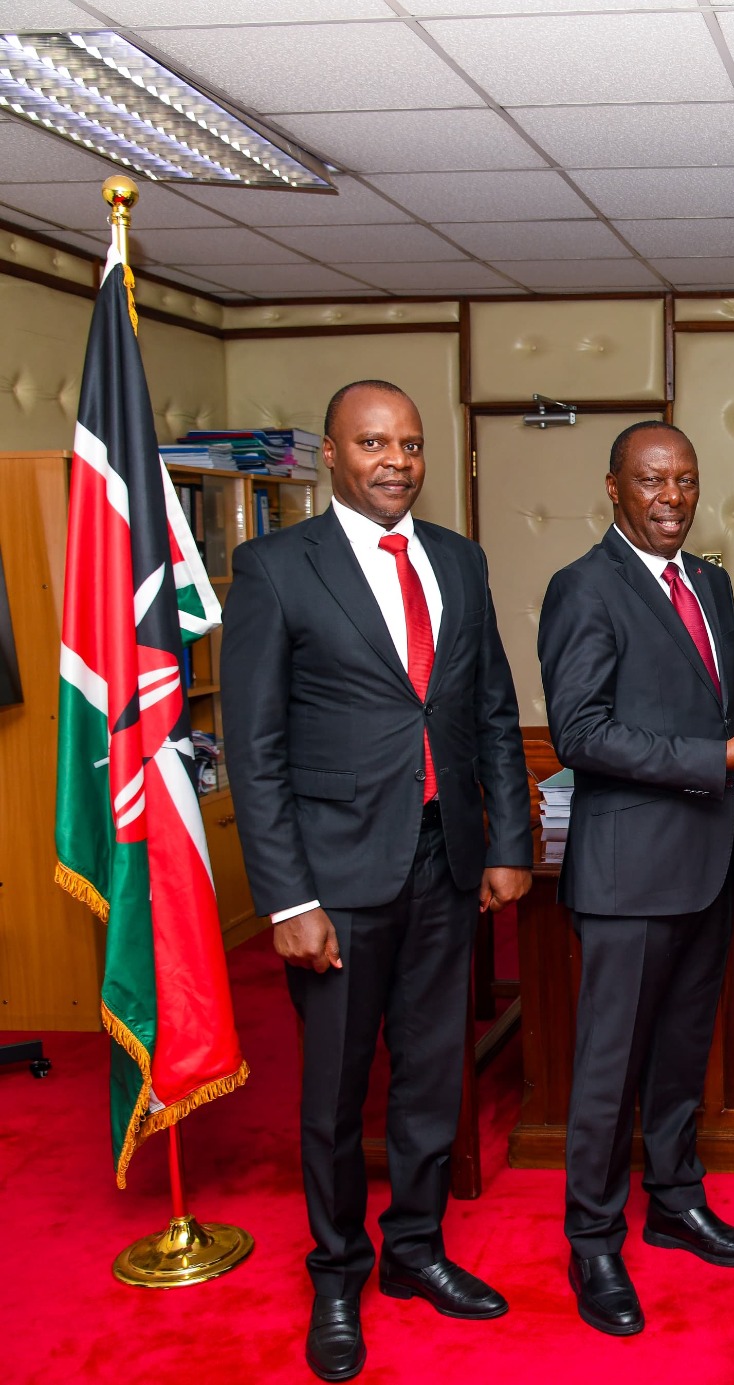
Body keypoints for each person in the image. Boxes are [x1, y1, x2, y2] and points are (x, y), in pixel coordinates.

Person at [222, 380, 532, 1382]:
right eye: (373, 443)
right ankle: (336, 1270)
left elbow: (491, 710)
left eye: (410, 443)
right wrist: (288, 897)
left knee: (434, 1074)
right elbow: (255, 745)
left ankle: (415, 1250)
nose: (396, 459)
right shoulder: (274, 567)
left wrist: (507, 841)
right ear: (329, 453)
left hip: (445, 863)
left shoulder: (458, 559)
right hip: (337, 878)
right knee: (336, 1090)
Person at [536, 420, 734, 1337]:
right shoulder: (583, 588)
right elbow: (581, 731)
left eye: (685, 480)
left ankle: (675, 1200)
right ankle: (592, 1238)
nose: (671, 498)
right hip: (624, 877)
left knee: (683, 1059)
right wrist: (717, 752)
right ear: (614, 487)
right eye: (652, 481)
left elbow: (726, 708)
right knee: (609, 1073)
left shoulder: (712, 582)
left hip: (705, 867)